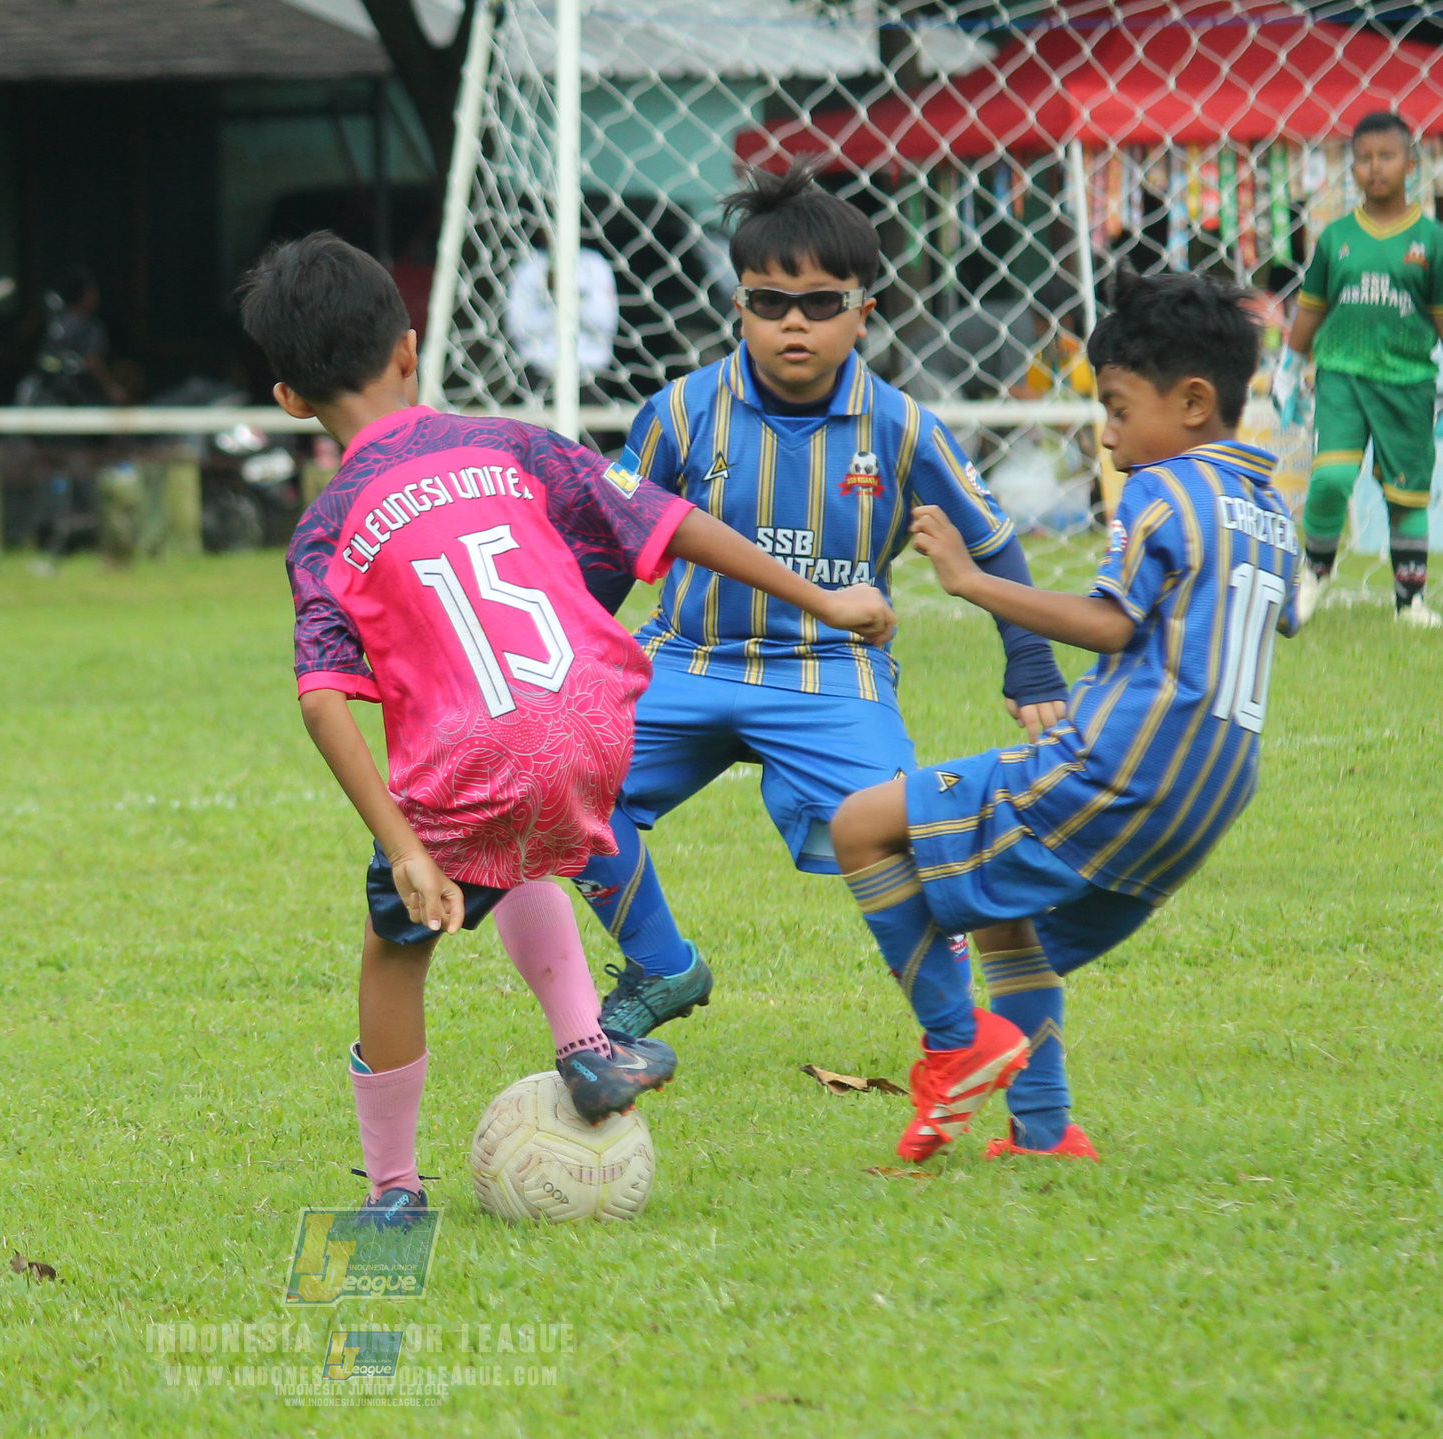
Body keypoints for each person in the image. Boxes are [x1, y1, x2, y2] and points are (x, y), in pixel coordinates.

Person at [246, 231, 896, 1220]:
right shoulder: (509, 441)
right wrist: (822, 598)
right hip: (595, 724)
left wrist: (400, 845)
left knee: (396, 947)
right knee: (523, 850)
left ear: (289, 398)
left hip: (474, 754)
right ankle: (587, 1049)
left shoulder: (326, 524)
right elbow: (668, 519)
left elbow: (322, 693)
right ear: (408, 349)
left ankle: (391, 1187)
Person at [570, 161, 1070, 1039]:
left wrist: (1031, 667)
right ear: (738, 307)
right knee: (561, 785)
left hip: (831, 668)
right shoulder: (679, 415)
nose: (793, 321)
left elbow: (993, 546)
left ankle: (956, 1041)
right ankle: (662, 963)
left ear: (863, 314)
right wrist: (552, 656)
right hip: (688, 657)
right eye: (769, 301)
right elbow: (613, 548)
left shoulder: (902, 427)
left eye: (821, 302)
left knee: (897, 839)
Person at [830, 269, 1298, 1163]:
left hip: (1118, 765)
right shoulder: (1267, 508)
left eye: (1119, 409)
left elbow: (1113, 621)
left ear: (1193, 401)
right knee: (1018, 928)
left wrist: (974, 581)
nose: (1110, 435)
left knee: (860, 825)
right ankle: (1046, 1134)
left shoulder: (1165, 489)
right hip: (1206, 799)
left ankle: (955, 1037)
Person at [1274, 111, 1443, 629]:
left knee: (1407, 492)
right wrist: (1290, 363)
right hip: (1341, 376)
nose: (1375, 168)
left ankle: (1409, 602)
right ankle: (1315, 578)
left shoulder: (1432, 240)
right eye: (1364, 159)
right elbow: (1312, 308)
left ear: (1411, 163)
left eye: (1386, 156)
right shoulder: (1335, 238)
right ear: (1351, 169)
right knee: (1330, 480)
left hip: (1409, 382)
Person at [504, 232, 619, 389]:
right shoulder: (528, 268)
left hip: (589, 376)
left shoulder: (595, 266)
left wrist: (571, 297)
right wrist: (553, 303)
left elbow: (607, 324)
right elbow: (517, 328)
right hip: (538, 374)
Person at [15, 265, 128, 407]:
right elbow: (93, 361)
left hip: (42, 397)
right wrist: (112, 389)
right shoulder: (90, 326)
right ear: (88, 294)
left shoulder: (51, 321)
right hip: (73, 398)